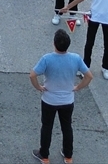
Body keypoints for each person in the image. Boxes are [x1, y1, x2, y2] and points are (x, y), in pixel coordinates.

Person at [31, 29, 93, 164]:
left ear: (54, 44)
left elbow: (33, 75)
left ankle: (44, 155)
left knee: (47, 127)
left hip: (49, 100)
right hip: (67, 100)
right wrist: (77, 87)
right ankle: (68, 155)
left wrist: (39, 87)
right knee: (67, 127)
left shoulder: (47, 59)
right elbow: (89, 76)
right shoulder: (75, 58)